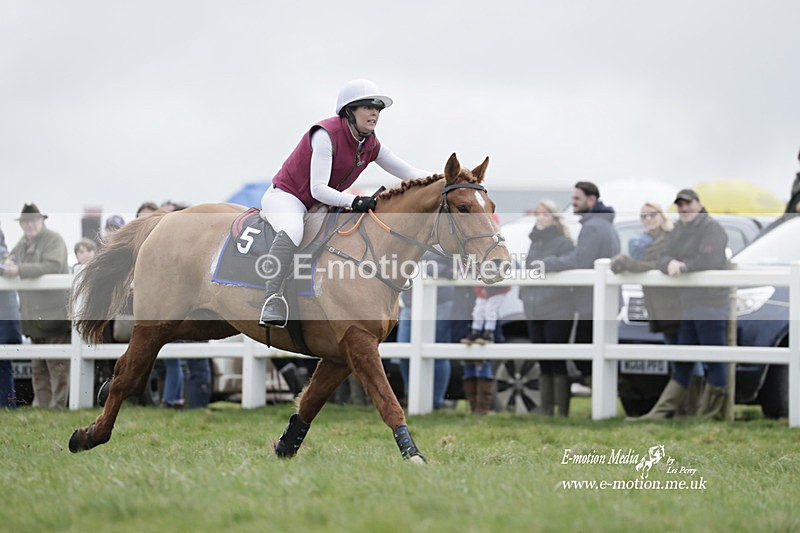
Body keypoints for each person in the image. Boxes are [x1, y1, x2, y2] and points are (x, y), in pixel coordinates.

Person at [258, 78, 431, 327]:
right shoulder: (325, 135)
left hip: (322, 205)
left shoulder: (370, 143)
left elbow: (409, 172)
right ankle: (271, 297)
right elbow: (318, 190)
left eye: (378, 109)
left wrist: (447, 180)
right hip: (288, 197)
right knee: (293, 229)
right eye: (368, 107)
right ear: (349, 111)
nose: (375, 114)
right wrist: (354, 200)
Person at [632, 189, 730, 420]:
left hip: (711, 302)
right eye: (680, 205)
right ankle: (664, 412)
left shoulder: (712, 228)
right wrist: (671, 263)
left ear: (699, 204)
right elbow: (665, 256)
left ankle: (712, 414)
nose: (684, 209)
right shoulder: (679, 230)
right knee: (683, 358)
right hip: (688, 302)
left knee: (713, 358)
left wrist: (684, 265)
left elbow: (710, 259)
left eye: (688, 204)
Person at [540, 182, 621, 382]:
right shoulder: (605, 224)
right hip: (602, 301)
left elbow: (580, 260)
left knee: (585, 355)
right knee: (596, 352)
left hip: (593, 302)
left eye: (577, 199)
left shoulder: (593, 227)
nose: (573, 203)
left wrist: (550, 263)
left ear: (591, 200)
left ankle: (600, 398)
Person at [2, 204, 71, 409]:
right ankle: (41, 408)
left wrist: (19, 269)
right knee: (39, 369)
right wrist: (7, 264)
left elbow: (53, 265)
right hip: (34, 319)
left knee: (57, 368)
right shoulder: (22, 244)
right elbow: (9, 261)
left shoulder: (54, 240)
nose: (30, 225)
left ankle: (58, 408)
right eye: (26, 222)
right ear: (22, 225)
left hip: (53, 317)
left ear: (42, 221)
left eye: (33, 221)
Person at [519, 199, 576, 416]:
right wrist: (524, 295)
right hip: (534, 306)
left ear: (554, 217)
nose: (540, 218)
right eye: (538, 214)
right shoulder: (534, 242)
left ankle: (562, 411)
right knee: (542, 359)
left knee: (557, 358)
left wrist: (548, 264)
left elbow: (571, 261)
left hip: (557, 307)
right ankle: (546, 410)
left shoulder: (563, 242)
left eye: (545, 214)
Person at [396, 251, 453, 410]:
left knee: (438, 351)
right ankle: (412, 394)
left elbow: (452, 266)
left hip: (440, 302)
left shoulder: (445, 236)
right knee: (403, 349)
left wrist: (428, 268)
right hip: (410, 303)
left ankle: (436, 400)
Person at [0, 224, 22, 408]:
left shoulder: (7, 254)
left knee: (4, 365)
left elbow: (8, 268)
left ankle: (7, 405)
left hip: (5, 320)